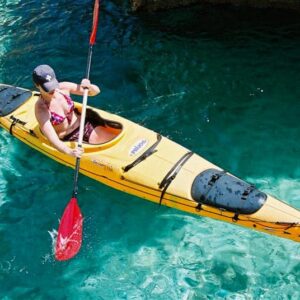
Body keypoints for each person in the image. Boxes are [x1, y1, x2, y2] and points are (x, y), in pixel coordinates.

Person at [33, 64, 113, 158]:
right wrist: (69, 152)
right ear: (37, 85)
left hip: (84, 125)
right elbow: (53, 139)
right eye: (47, 87)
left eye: (53, 84)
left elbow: (95, 92)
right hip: (69, 139)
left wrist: (89, 86)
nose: (52, 89)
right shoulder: (41, 109)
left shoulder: (63, 87)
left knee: (111, 143)